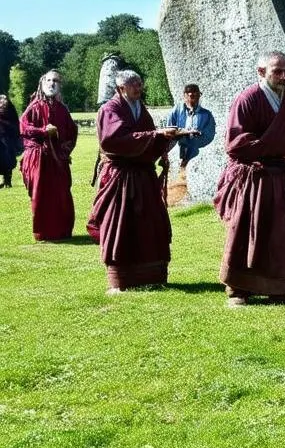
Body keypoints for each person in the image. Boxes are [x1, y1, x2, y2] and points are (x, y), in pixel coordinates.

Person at [214, 51, 285, 305]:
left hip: (283, 178)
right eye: (278, 71)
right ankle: (239, 288)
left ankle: (283, 287)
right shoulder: (247, 99)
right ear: (261, 72)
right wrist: (276, 145)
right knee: (248, 231)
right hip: (256, 178)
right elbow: (235, 143)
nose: (284, 76)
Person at [87, 69, 183, 293]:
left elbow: (151, 135)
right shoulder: (110, 109)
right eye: (134, 85)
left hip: (144, 177)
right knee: (120, 226)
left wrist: (170, 137)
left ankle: (151, 275)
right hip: (121, 177)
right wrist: (156, 136)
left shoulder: (140, 109)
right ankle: (121, 280)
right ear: (121, 88)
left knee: (150, 225)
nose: (139, 89)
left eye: (140, 84)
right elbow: (113, 140)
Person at [19, 70, 78, 240]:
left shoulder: (62, 109)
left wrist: (65, 150)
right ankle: (44, 233)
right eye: (49, 80)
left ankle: (62, 231)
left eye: (56, 81)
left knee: (62, 194)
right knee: (41, 194)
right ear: (42, 83)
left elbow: (72, 132)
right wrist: (43, 131)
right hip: (38, 158)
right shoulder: (35, 106)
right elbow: (23, 128)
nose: (52, 84)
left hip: (58, 160)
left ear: (60, 86)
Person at [166, 83, 216, 173]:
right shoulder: (177, 110)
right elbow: (168, 131)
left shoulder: (206, 115)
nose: (194, 97)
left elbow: (210, 135)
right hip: (176, 153)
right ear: (185, 95)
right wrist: (181, 133)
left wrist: (198, 138)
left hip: (197, 156)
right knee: (177, 182)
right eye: (190, 94)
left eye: (197, 94)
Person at [0, 93, 22, 188]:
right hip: (3, 139)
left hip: (8, 139)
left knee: (7, 160)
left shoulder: (11, 112)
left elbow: (15, 125)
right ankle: (4, 181)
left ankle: (7, 181)